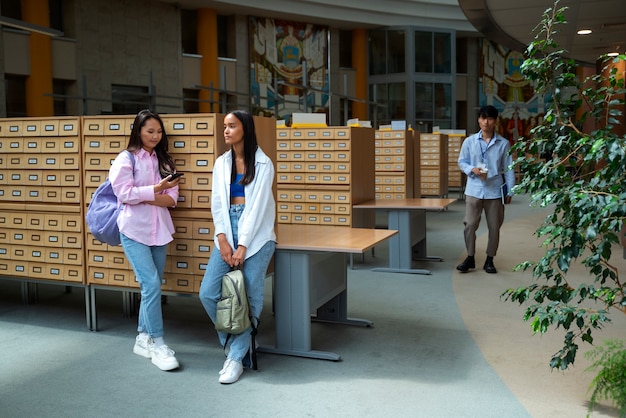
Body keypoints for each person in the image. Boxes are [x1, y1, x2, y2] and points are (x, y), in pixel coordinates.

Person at [199, 110, 276, 384]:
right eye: (224, 126)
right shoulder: (221, 163)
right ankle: (236, 346)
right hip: (227, 230)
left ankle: (234, 358)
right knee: (208, 292)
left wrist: (242, 246)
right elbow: (217, 204)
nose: (226, 131)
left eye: (232, 126)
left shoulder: (264, 164)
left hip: (257, 236)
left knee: (251, 297)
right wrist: (222, 239)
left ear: (245, 128)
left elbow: (256, 211)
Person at [109, 109, 182, 371]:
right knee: (151, 284)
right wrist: (156, 190)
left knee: (151, 287)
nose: (155, 135)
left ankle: (142, 337)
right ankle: (159, 343)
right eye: (150, 131)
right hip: (134, 230)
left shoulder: (165, 161)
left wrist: (151, 194)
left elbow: (171, 200)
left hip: (160, 230)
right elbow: (123, 194)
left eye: (158, 131)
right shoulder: (126, 159)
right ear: (138, 131)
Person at [457, 105, 515, 274]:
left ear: (495, 121)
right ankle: (470, 257)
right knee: (469, 224)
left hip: (494, 191)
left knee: (494, 226)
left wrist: (510, 191)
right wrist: (471, 169)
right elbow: (462, 161)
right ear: (479, 120)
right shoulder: (469, 141)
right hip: (474, 189)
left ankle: (490, 259)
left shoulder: (503, 144)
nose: (486, 122)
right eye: (483, 118)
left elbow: (509, 168)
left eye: (489, 119)